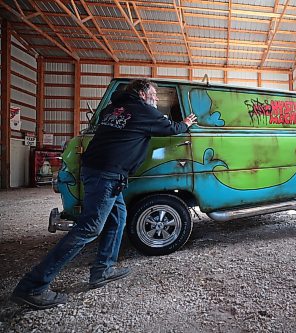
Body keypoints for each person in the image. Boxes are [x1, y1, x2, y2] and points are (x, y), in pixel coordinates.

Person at [11, 79, 197, 310]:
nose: (156, 99)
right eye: (154, 94)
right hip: (107, 174)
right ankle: (32, 287)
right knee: (89, 228)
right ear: (142, 93)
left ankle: (103, 270)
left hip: (99, 171)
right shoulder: (143, 110)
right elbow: (171, 128)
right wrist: (187, 121)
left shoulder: (113, 109)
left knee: (118, 218)